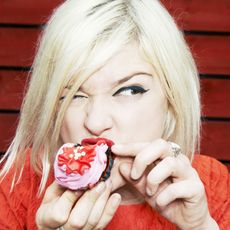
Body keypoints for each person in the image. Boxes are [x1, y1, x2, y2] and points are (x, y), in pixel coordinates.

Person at [0, 0, 229, 229]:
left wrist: (200, 226)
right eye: (73, 96)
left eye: (129, 90)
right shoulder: (18, 181)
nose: (95, 122)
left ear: (172, 99)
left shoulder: (209, 184)